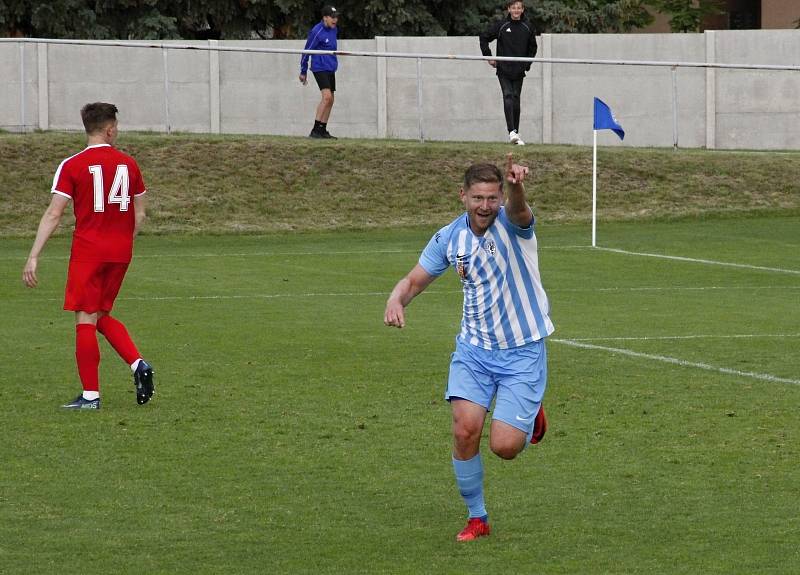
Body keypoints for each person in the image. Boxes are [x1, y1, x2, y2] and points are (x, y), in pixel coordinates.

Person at [384, 153, 553, 541]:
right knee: (464, 431)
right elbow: (413, 281)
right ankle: (477, 517)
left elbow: (521, 209)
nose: (485, 206)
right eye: (478, 198)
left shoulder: (512, 223)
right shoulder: (449, 237)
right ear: (462, 196)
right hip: (474, 351)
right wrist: (396, 300)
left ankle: (528, 417)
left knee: (505, 447)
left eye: (492, 198)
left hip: (522, 349)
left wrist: (516, 187)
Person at [22, 102, 155, 410]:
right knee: (101, 315)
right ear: (109, 129)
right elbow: (141, 211)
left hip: (88, 252)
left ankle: (90, 396)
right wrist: (124, 238)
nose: (117, 131)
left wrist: (33, 255)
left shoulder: (73, 165)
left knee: (85, 317)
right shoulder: (129, 164)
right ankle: (138, 365)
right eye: (116, 127)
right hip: (120, 253)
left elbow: (55, 213)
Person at [479, 1, 538, 146]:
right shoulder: (501, 25)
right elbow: (484, 37)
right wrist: (488, 57)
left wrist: (527, 65)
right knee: (508, 95)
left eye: (519, 8)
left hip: (519, 70)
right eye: (513, 8)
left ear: (522, 9)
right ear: (509, 9)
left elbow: (533, 47)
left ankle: (515, 134)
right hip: (503, 69)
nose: (516, 10)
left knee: (516, 98)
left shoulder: (528, 27)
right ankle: (511, 131)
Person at [299, 5, 341, 139]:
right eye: (332, 17)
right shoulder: (316, 31)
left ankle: (322, 129)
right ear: (325, 18)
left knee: (331, 100)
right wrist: (303, 70)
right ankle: (315, 130)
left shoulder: (334, 30)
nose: (335, 20)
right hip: (319, 67)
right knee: (327, 97)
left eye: (336, 17)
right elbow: (306, 50)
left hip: (330, 68)